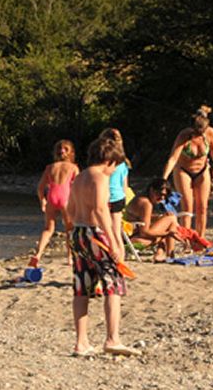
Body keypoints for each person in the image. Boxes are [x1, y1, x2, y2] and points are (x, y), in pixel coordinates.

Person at [67, 137, 140, 358]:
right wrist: (114, 241)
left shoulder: (79, 178)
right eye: (115, 166)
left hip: (78, 232)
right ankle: (112, 339)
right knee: (113, 283)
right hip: (95, 234)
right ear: (109, 161)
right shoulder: (99, 178)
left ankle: (81, 343)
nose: (114, 171)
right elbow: (100, 210)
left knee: (82, 287)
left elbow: (70, 210)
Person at [162, 105, 213, 238]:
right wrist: (164, 178)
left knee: (202, 207)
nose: (198, 135)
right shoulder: (184, 136)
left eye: (201, 133)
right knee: (187, 206)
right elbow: (173, 158)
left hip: (202, 170)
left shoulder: (210, 132)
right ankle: (186, 239)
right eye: (195, 133)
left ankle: (200, 238)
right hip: (184, 170)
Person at [31, 139, 79, 267]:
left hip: (52, 197)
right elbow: (78, 186)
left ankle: (38, 254)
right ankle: (70, 257)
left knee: (48, 229)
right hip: (65, 198)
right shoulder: (73, 168)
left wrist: (42, 200)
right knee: (69, 229)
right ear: (71, 153)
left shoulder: (50, 167)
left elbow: (40, 188)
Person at [123, 179, 182, 262]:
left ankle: (163, 254)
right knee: (171, 219)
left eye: (165, 196)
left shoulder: (141, 198)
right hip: (132, 241)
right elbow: (144, 232)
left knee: (169, 219)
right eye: (160, 194)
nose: (162, 198)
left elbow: (141, 218)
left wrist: (159, 217)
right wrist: (168, 233)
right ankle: (168, 255)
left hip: (130, 237)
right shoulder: (146, 203)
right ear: (151, 190)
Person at [99, 128, 131, 257]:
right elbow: (125, 185)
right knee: (117, 232)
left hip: (106, 197)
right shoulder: (123, 163)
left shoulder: (105, 162)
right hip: (119, 197)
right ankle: (121, 260)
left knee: (104, 231)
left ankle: (109, 257)